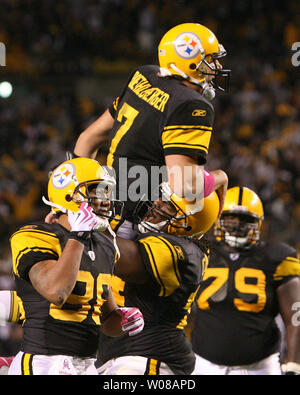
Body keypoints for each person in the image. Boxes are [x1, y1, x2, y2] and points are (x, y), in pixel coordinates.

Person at [73, 23, 231, 238]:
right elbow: (184, 185)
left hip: (101, 213)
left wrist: (77, 203)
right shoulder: (192, 105)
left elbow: (89, 138)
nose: (217, 66)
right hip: (135, 223)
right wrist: (220, 177)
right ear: (192, 63)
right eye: (211, 59)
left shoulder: (143, 75)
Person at [6, 157, 144, 375]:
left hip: (87, 363)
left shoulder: (105, 245)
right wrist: (77, 236)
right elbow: (56, 291)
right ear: (69, 195)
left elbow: (106, 317)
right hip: (43, 363)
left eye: (106, 192)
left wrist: (123, 321)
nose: (105, 200)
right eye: (96, 191)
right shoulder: (36, 235)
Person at [96, 182, 222, 375]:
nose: (156, 204)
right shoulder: (176, 241)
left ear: (190, 221)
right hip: (126, 354)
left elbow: (110, 254)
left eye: (168, 205)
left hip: (151, 358)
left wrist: (93, 220)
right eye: (160, 198)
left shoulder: (182, 251)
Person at [190, 186, 300, 375]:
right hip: (203, 364)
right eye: (230, 217)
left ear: (258, 223)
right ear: (219, 218)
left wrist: (294, 364)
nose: (237, 224)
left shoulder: (278, 256)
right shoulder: (202, 251)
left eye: (246, 219)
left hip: (260, 367)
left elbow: (295, 317)